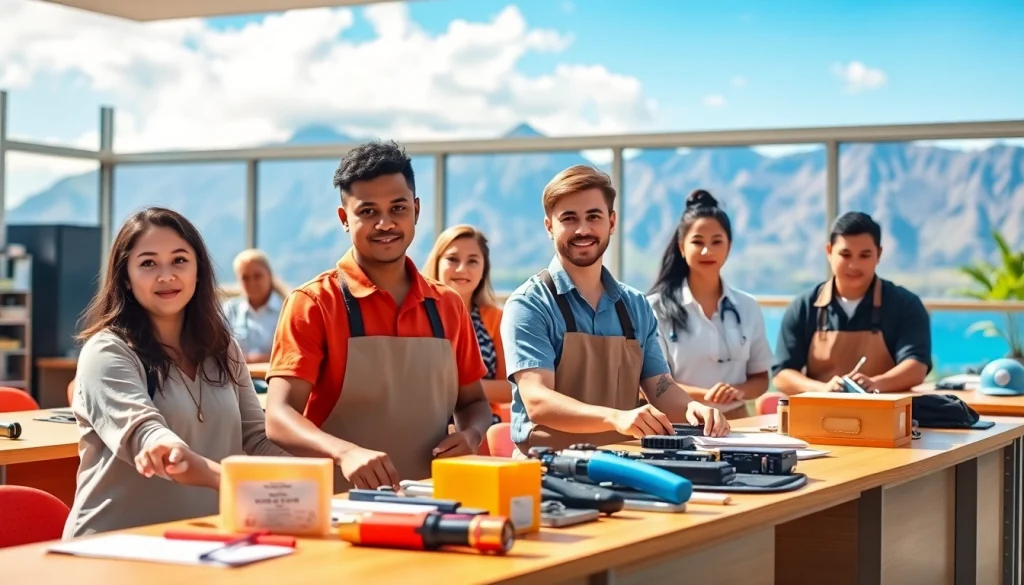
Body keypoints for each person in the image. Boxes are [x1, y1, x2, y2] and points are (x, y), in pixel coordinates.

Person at [264, 140, 494, 492]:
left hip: (435, 500)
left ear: (416, 210)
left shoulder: (448, 305)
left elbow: (474, 402)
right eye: (368, 211)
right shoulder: (313, 303)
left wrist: (472, 434)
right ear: (344, 218)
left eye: (397, 208)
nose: (385, 223)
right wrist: (344, 453)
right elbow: (278, 417)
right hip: (337, 505)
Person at [64, 207, 288, 539]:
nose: (166, 275)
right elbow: (148, 435)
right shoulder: (107, 351)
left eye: (180, 260)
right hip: (115, 546)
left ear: (199, 270)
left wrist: (325, 473)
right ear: (125, 276)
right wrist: (220, 477)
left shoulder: (222, 347)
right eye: (148, 263)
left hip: (207, 541)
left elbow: (255, 437)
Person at [501, 165, 730, 456]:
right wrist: (615, 417)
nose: (583, 229)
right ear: (549, 227)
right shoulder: (530, 304)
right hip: (545, 471)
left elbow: (660, 388)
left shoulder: (636, 305)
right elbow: (538, 401)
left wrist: (693, 408)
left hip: (624, 465)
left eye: (593, 217)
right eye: (569, 218)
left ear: (611, 222)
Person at [772, 211, 932, 394]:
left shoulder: (905, 305)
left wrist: (876, 384)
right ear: (829, 252)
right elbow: (782, 374)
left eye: (864, 255)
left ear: (878, 255)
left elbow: (916, 367)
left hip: (886, 416)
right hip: (820, 417)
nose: (854, 265)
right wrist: (822, 389)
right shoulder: (804, 307)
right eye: (845, 255)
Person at [647, 189, 773, 419]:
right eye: (697, 242)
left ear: (729, 246)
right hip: (679, 423)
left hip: (739, 426)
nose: (707, 250)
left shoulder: (748, 307)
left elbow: (761, 378)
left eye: (717, 241)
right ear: (682, 246)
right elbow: (653, 383)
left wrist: (736, 392)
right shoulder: (655, 308)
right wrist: (708, 396)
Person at [424, 225, 512, 423]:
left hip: (481, 427)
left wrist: (454, 388)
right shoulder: (415, 313)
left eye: (472, 261)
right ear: (436, 263)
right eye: (452, 259)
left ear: (484, 269)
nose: (461, 269)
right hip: (423, 423)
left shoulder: (497, 319)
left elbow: (511, 388)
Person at [222, 248, 289, 363]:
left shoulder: (287, 310)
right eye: (245, 278)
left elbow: (290, 354)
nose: (252, 283)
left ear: (269, 275)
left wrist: (255, 360)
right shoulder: (230, 310)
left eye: (257, 276)